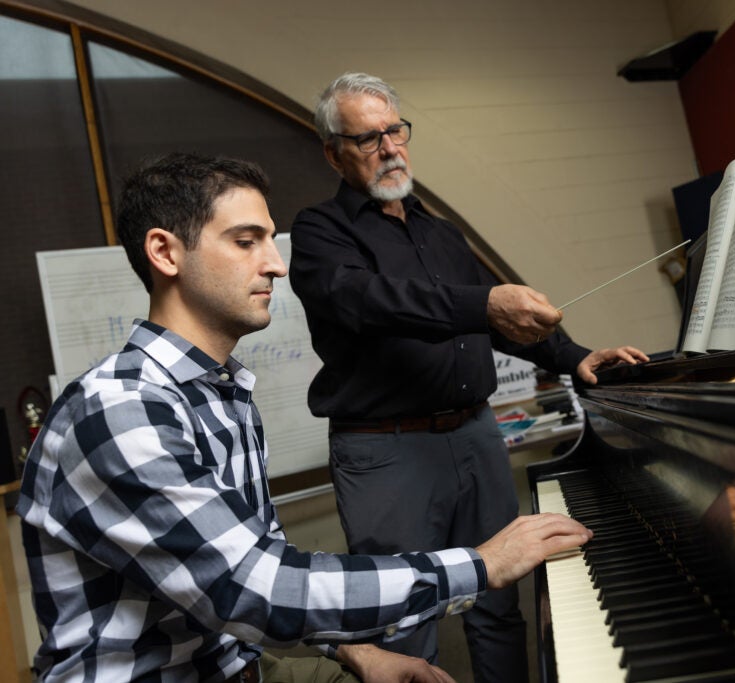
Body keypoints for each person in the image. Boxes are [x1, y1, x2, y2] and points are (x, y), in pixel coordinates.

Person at [16, 152, 591, 683]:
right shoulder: (121, 411)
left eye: (270, 240)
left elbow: (254, 562)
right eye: (246, 242)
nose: (276, 265)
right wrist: (482, 563)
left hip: (236, 660)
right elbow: (256, 588)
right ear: (165, 253)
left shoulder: (222, 392)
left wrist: (357, 651)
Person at [288, 72, 647, 681]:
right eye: (368, 139)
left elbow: (495, 317)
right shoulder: (321, 232)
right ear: (334, 152)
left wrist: (574, 355)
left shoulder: (441, 231)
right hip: (386, 453)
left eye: (395, 131)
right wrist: (480, 305)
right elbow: (368, 300)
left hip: (476, 438)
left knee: (500, 607)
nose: (390, 149)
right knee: (402, 628)